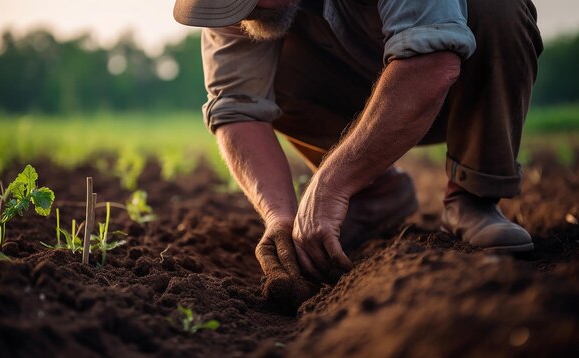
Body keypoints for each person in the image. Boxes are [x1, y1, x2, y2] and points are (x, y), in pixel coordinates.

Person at [173, 0, 543, 302]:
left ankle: (472, 197)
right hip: (363, 89)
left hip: (454, 74)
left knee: (499, 7)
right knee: (261, 44)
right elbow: (237, 107)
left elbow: (431, 63)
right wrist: (279, 217)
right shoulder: (239, 7)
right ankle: (375, 191)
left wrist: (331, 185)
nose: (239, 11)